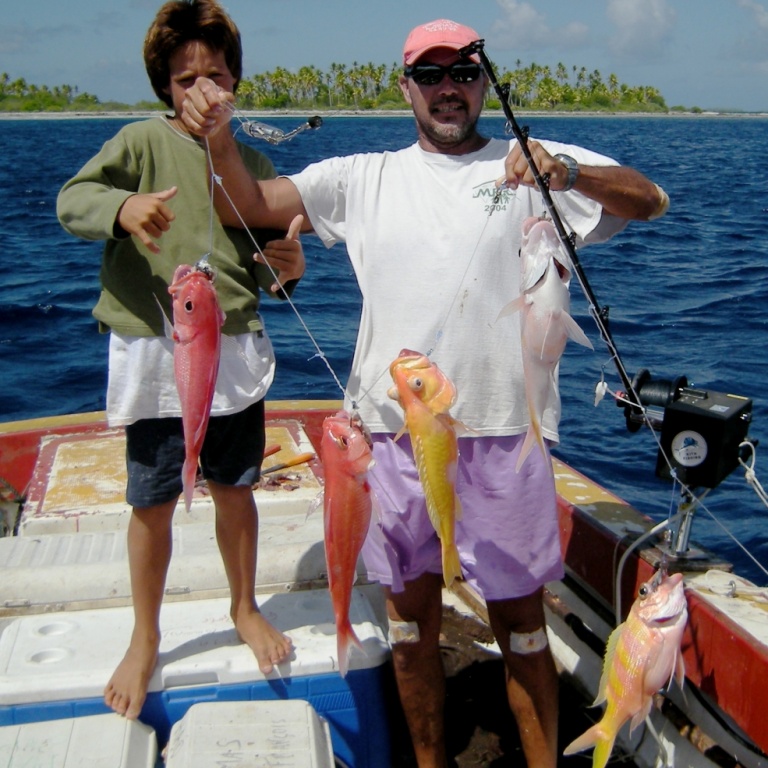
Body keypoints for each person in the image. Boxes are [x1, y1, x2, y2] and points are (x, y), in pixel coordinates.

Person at [179, 18, 669, 767]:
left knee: (526, 632)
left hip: (505, 437)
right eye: (430, 75)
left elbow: (650, 199)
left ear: (483, 83)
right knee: (410, 631)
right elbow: (244, 201)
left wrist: (567, 175)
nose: (448, 89)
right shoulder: (360, 177)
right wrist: (216, 135)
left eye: (463, 74)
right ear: (405, 86)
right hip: (390, 441)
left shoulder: (533, 164)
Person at [56, 0, 303, 721]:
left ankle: (244, 606)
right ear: (166, 86)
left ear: (236, 84)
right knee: (153, 502)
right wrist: (125, 208)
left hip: (230, 359)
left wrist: (284, 267)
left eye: (217, 75)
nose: (203, 90)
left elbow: (262, 263)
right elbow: (74, 201)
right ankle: (146, 634)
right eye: (187, 77)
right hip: (155, 354)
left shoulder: (249, 161)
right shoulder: (138, 141)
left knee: (235, 488)